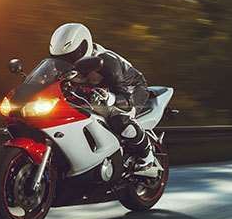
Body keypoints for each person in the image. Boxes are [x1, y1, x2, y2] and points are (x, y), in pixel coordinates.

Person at [48, 22, 157, 174]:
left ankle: (147, 157)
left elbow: (126, 100)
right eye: (61, 58)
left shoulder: (106, 63)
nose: (67, 62)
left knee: (120, 119)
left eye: (71, 56)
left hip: (131, 88)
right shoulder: (60, 66)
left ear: (83, 47)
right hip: (96, 90)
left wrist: (110, 98)